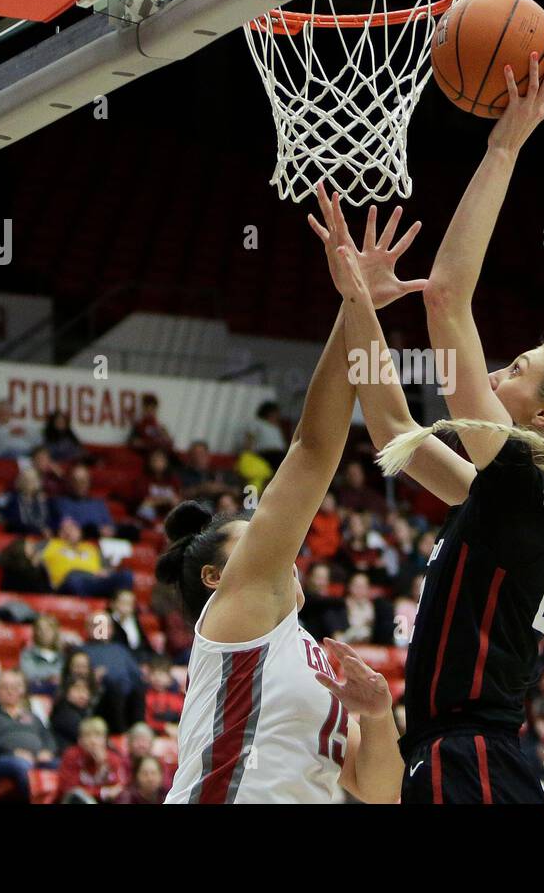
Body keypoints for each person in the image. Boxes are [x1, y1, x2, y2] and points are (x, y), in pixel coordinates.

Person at [321, 52, 544, 805]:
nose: (493, 375)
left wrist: (504, 146)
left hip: (472, 757)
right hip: (459, 756)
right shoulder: (512, 493)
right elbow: (391, 421)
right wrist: (360, 305)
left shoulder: (527, 476)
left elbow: (448, 298)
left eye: (515, 369)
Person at [158, 228, 409, 805]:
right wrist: (355, 307)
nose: (281, 552)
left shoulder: (309, 652)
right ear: (217, 578)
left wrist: (376, 716)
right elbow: (314, 450)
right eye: (254, 543)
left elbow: (379, 791)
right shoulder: (242, 613)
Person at [0, 670, 58, 802]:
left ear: (21, 691)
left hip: (37, 758)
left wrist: (47, 751)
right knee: (22, 766)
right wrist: (13, 752)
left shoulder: (32, 716)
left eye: (14, 687)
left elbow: (47, 737)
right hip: (4, 759)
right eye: (4, 687)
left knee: (60, 765)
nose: (10, 691)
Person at [41, 517, 134, 598]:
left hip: (95, 581)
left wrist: (106, 572)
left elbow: (108, 569)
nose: (69, 531)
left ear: (80, 531)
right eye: (65, 529)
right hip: (68, 582)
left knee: (126, 575)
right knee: (74, 578)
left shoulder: (90, 547)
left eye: (73, 528)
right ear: (59, 532)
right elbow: (33, 557)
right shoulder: (51, 544)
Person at [57, 716, 129, 803]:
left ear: (105, 739)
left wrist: (103, 765)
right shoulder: (72, 755)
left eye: (97, 736)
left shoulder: (112, 758)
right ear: (80, 740)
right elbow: (70, 790)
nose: (93, 741)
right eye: (88, 736)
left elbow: (118, 788)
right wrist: (102, 792)